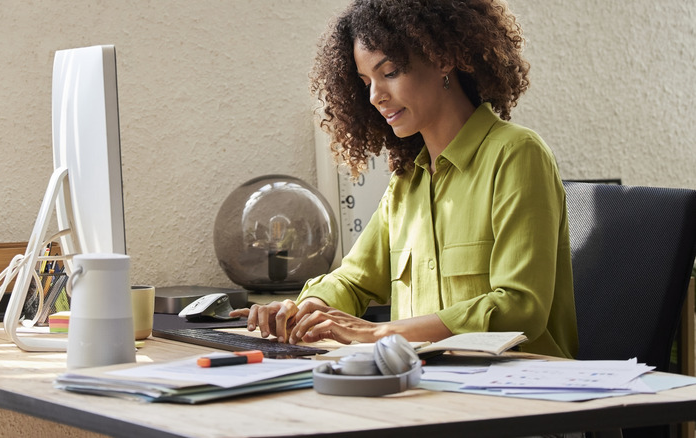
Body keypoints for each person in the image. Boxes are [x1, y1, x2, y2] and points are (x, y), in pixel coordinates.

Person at [230, 0, 578, 359]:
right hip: (427, 388)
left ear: (443, 58)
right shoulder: (407, 183)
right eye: (366, 81)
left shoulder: (517, 154)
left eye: (390, 72)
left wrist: (382, 332)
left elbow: (520, 308)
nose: (375, 96)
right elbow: (353, 280)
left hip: (521, 392)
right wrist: (304, 310)